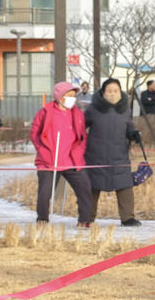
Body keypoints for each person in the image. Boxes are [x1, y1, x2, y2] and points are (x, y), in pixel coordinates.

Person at [29, 81, 96, 230]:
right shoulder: (45, 112)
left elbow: (82, 137)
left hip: (72, 160)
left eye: (74, 96)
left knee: (85, 188)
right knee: (45, 193)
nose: (72, 99)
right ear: (59, 96)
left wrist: (79, 151)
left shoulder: (78, 113)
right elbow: (35, 133)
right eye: (69, 95)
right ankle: (42, 220)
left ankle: (84, 220)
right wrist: (43, 151)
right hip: (49, 160)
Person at [84, 78, 147, 226]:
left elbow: (129, 127)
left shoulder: (125, 109)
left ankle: (127, 218)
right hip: (95, 155)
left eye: (116, 91)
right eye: (109, 91)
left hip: (119, 154)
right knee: (92, 187)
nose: (112, 93)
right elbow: (81, 126)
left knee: (125, 185)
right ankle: (87, 217)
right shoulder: (93, 109)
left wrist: (134, 134)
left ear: (120, 92)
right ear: (103, 92)